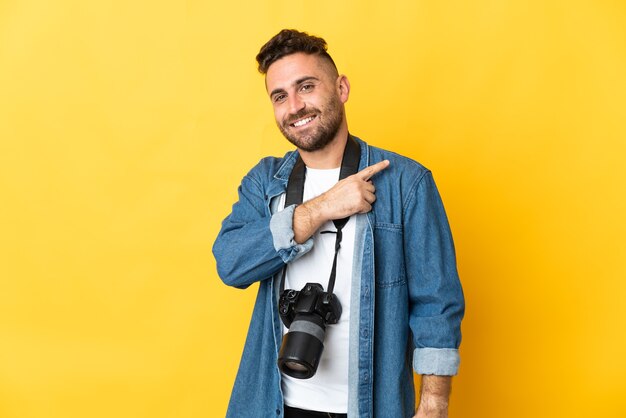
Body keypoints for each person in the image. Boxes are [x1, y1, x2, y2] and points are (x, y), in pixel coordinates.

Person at [213, 29, 465, 418]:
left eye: (306, 86)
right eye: (280, 96)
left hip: (370, 404)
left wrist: (434, 403)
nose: (295, 106)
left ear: (341, 88)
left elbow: (437, 302)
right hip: (273, 402)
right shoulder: (265, 181)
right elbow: (230, 263)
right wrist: (320, 208)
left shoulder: (406, 183)